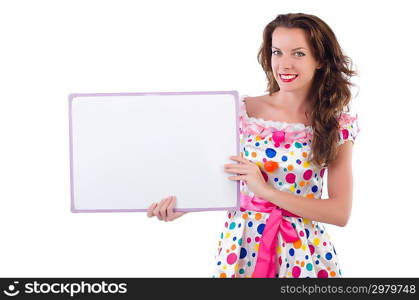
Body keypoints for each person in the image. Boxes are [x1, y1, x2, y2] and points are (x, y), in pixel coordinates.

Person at [147, 12, 360, 278]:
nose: (284, 64)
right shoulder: (239, 111)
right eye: (277, 52)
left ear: (320, 60)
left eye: (298, 53)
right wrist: (181, 206)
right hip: (241, 248)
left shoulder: (336, 122)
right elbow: (217, 175)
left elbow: (340, 212)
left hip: (304, 255)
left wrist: (267, 191)